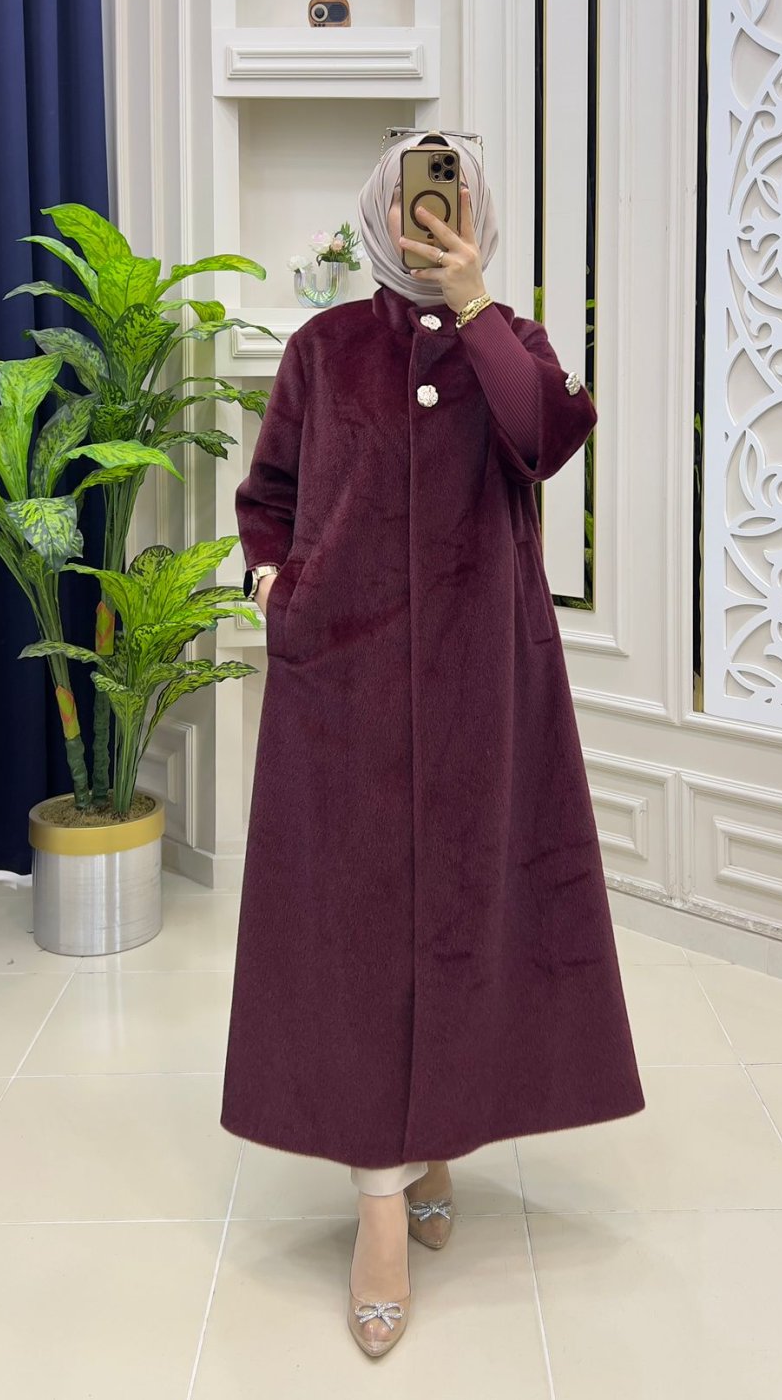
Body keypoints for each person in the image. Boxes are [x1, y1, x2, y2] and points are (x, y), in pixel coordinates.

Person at [220, 131, 645, 1360]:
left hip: (481, 685)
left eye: (450, 198)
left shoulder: (510, 343)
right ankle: (378, 1210)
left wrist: (474, 304)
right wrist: (271, 584)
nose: (429, 215)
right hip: (340, 685)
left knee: (467, 916)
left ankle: (438, 1130)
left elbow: (546, 438)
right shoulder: (321, 349)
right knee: (355, 938)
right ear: (379, 209)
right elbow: (269, 494)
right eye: (412, 196)